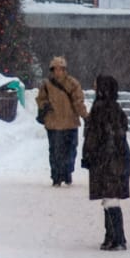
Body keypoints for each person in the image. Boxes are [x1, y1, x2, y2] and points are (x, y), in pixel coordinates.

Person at [80, 74, 130, 251]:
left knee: (110, 198)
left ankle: (116, 237)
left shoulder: (102, 109)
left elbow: (99, 135)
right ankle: (113, 236)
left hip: (107, 159)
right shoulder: (114, 108)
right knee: (110, 198)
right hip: (114, 158)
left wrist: (91, 155)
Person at [36, 56, 88, 187]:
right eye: (55, 69)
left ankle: (67, 171)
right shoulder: (46, 85)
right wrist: (45, 105)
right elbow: (40, 99)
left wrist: (84, 115)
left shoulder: (72, 84)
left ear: (65, 70)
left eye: (60, 69)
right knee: (55, 151)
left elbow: (78, 101)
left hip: (70, 122)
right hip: (53, 123)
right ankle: (56, 175)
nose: (58, 72)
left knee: (70, 150)